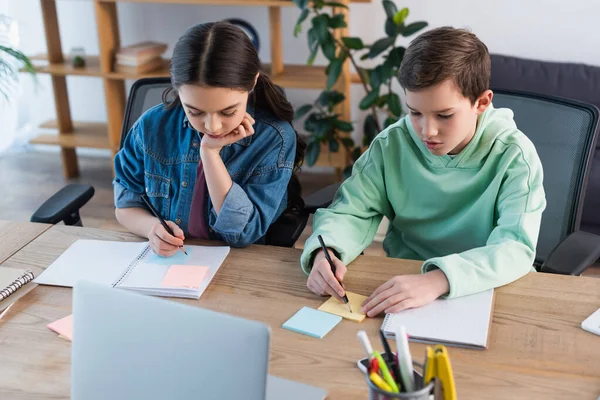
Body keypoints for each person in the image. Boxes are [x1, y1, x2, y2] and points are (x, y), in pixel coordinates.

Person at [301, 27, 546, 317]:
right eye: (415, 113)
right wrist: (326, 250)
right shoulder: (391, 144)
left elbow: (515, 248)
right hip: (404, 283)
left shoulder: (515, 156)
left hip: (486, 289)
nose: (426, 131)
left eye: (444, 115)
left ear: (482, 102)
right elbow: (351, 211)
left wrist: (437, 280)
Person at [113, 21, 305, 255]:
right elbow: (125, 205)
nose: (212, 126)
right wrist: (152, 228)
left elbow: (243, 233)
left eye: (227, 111)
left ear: (252, 83)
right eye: (194, 111)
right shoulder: (151, 127)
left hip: (237, 264)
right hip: (170, 261)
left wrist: (210, 155)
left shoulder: (274, 138)